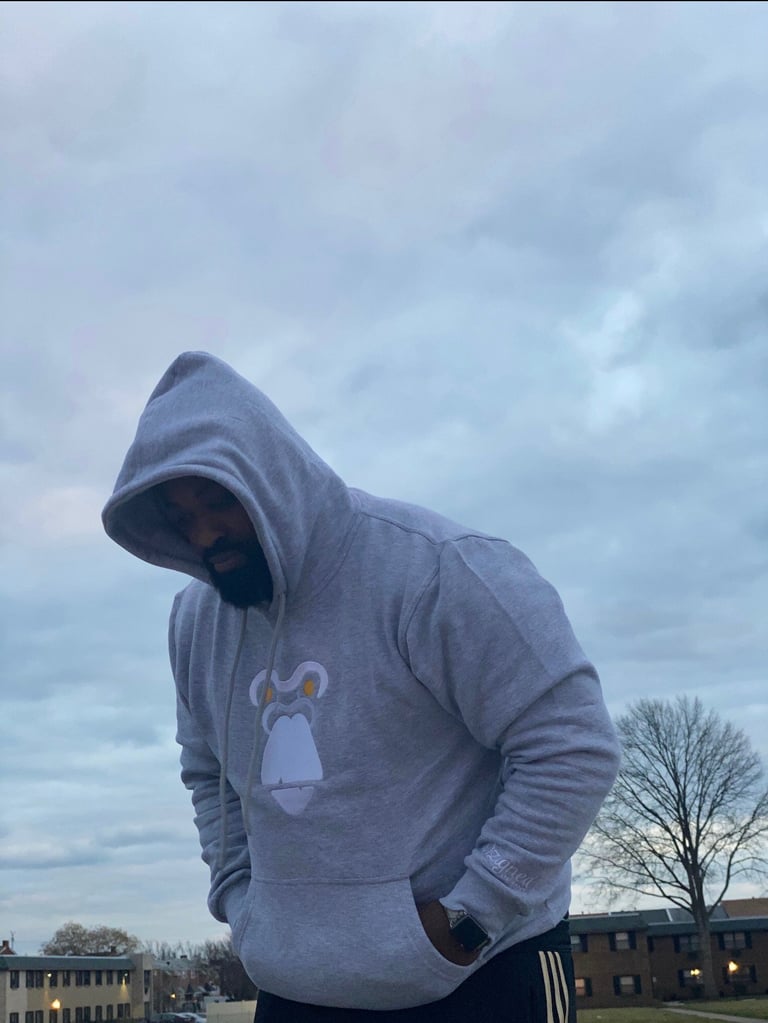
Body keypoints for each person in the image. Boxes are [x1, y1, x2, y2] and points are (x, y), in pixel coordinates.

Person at [102, 351, 620, 1022]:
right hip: (298, 983)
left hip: (481, 970)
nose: (203, 532)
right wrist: (240, 899)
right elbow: (208, 774)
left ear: (270, 476)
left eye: (218, 499)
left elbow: (572, 744)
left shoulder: (437, 569)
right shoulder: (195, 622)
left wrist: (473, 915)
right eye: (180, 515)